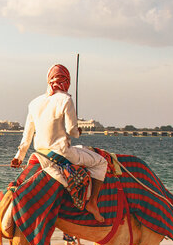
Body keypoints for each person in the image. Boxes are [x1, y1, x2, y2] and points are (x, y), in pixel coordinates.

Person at [11, 63, 107, 222]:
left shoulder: (34, 103)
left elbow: (27, 135)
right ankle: (93, 203)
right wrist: (78, 131)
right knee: (101, 162)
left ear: (49, 79)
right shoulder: (65, 99)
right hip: (62, 154)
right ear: (67, 81)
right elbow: (72, 131)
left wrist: (19, 157)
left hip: (41, 153)